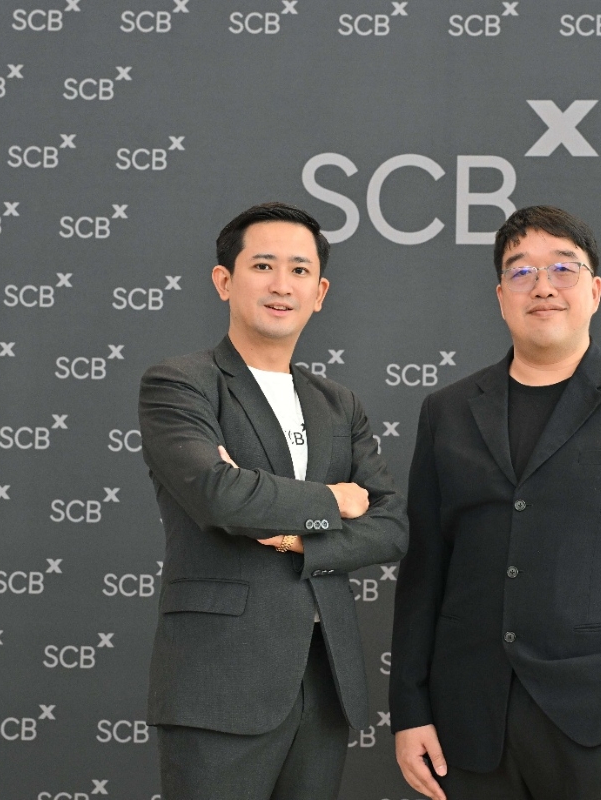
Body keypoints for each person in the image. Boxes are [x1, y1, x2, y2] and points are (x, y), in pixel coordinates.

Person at [390, 206, 601, 800]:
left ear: (594, 291)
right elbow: (423, 573)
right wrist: (410, 709)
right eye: (521, 272)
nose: (542, 286)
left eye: (563, 269)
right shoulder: (447, 411)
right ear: (501, 297)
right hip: (468, 723)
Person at [139, 202, 408, 800]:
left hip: (324, 678)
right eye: (263, 265)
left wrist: (292, 535)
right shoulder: (181, 383)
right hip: (219, 680)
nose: (282, 284)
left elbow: (391, 526)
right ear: (224, 281)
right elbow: (219, 495)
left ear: (320, 292)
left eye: (300, 270)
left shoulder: (339, 404)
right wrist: (335, 499)